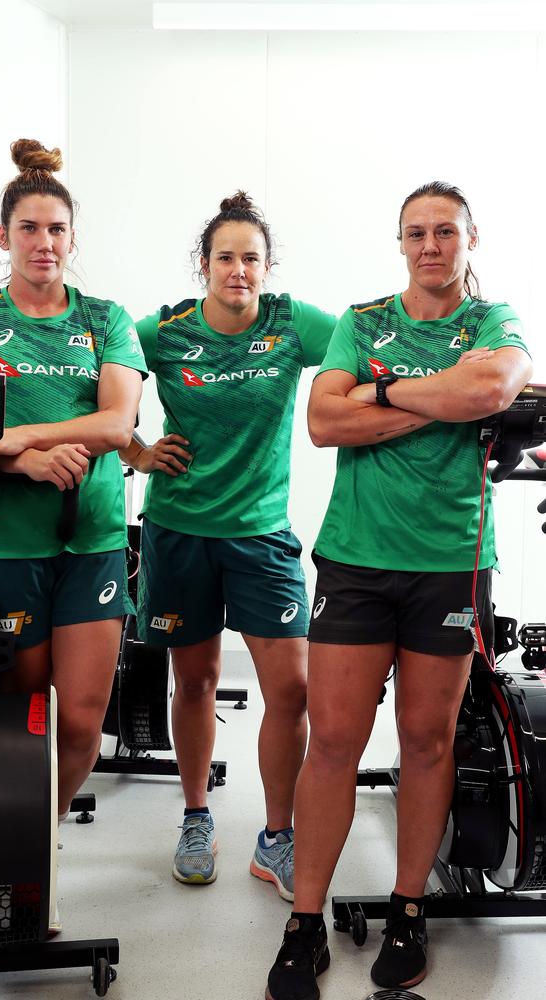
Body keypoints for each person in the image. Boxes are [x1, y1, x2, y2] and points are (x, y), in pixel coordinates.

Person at [265, 181, 532, 999]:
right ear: (400, 241)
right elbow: (323, 420)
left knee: (426, 740)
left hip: (452, 558)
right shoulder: (363, 320)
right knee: (335, 743)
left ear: (470, 238)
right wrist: (432, 397)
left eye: (445, 232)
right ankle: (304, 922)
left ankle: (408, 908)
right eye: (415, 233)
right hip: (357, 558)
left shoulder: (493, 322)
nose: (430, 246)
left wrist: (377, 394)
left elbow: (493, 390)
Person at [0, 140, 147, 928]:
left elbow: (120, 422)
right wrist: (18, 461)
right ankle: (10, 857)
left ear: (72, 240)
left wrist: (25, 436)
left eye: (56, 229)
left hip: (92, 540)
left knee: (82, 719)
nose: (43, 242)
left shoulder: (105, 319)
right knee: (24, 714)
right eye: (28, 228)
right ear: (4, 236)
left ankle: (25, 849)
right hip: (10, 543)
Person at [120, 192, 337, 898]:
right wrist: (137, 448)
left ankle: (276, 837)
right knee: (197, 682)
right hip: (181, 531)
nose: (237, 270)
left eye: (250, 258)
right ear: (203, 266)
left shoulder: (291, 323)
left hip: (262, 535)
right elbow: (98, 376)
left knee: (293, 691)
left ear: (266, 266)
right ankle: (195, 816)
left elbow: (366, 352)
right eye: (225, 257)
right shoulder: (166, 330)